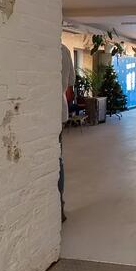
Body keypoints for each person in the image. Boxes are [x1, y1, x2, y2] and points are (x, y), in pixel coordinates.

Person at [60, 44, 75, 222]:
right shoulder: (64, 51)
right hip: (61, 108)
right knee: (57, 158)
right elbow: (71, 81)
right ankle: (59, 205)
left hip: (49, 111)